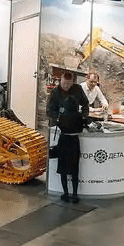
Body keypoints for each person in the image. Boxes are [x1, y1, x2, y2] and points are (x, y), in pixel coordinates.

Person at [47, 70, 89, 203]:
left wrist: (83, 115)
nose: (65, 86)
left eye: (68, 84)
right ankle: (71, 194)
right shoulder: (55, 92)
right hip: (67, 132)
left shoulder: (78, 89)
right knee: (73, 169)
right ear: (61, 81)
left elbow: (86, 104)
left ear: (72, 83)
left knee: (66, 169)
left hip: (66, 135)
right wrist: (59, 118)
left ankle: (67, 193)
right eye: (63, 83)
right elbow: (49, 110)